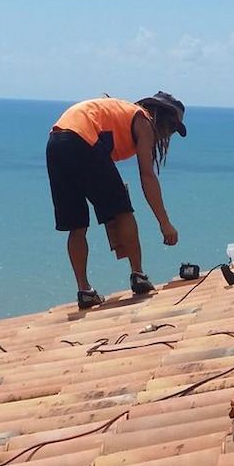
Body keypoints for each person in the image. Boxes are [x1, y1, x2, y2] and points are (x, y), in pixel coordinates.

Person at [46, 92, 185, 309]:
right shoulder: (143, 120)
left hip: (56, 141)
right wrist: (165, 223)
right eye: (172, 126)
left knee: (77, 225)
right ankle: (138, 275)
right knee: (123, 211)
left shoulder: (120, 114)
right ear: (160, 115)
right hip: (82, 138)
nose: (170, 133)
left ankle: (84, 291)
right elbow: (147, 175)